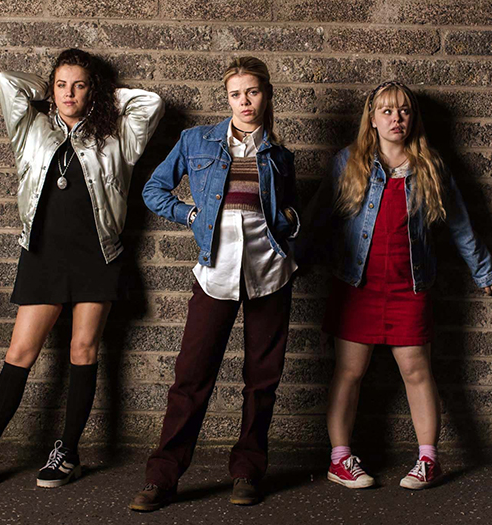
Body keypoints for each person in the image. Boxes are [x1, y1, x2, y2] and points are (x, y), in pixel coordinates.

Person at [0, 48, 163, 488]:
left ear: (92, 91)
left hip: (98, 255)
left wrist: (99, 99)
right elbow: (7, 81)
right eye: (62, 85)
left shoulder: (118, 137)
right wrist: (49, 94)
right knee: (20, 353)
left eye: (79, 85)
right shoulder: (32, 130)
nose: (69, 93)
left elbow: (150, 103)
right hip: (42, 253)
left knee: (84, 352)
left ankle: (67, 453)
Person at [301, 81, 492, 491]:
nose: (396, 119)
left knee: (417, 370)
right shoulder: (348, 162)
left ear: (413, 119)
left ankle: (428, 459)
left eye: (404, 112)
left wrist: (483, 270)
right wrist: (288, 262)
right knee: (349, 372)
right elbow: (317, 219)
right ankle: (340, 460)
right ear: (372, 119)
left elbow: (460, 224)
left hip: (409, 287)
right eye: (387, 112)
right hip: (357, 286)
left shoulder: (429, 165)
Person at [130, 56, 299, 511]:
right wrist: (189, 213)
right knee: (191, 377)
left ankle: (247, 472)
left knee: (262, 380)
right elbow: (153, 189)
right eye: (235, 94)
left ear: (266, 95)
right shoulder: (196, 141)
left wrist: (290, 223)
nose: (244, 102)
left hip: (270, 275)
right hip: (215, 274)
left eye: (253, 92)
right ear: (227, 99)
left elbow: (291, 213)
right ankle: (162, 478)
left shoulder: (280, 156)